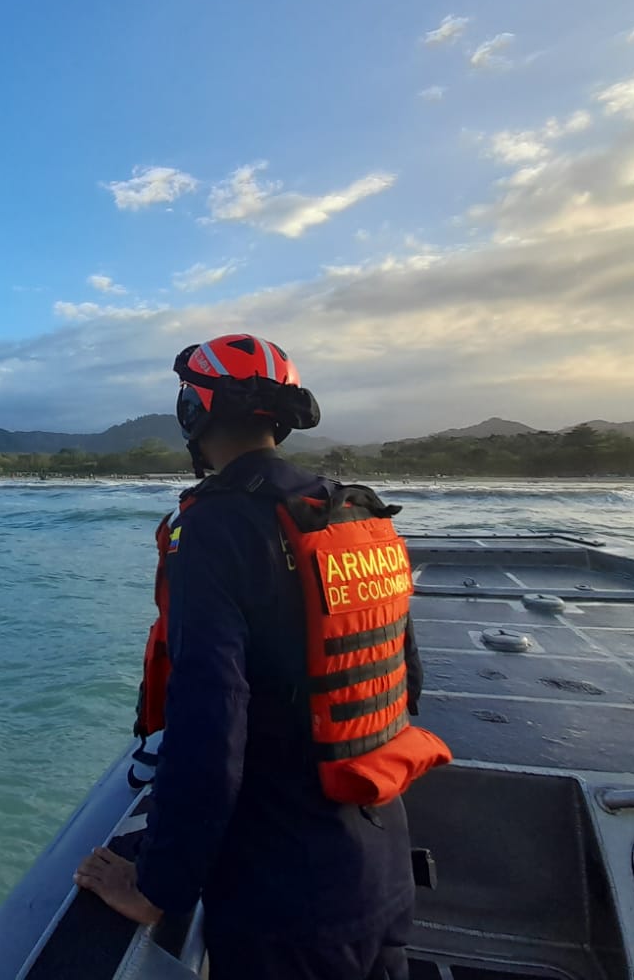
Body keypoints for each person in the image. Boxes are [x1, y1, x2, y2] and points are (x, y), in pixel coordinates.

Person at [75, 333, 446, 980]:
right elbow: (401, 683)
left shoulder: (218, 526)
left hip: (287, 894)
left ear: (195, 413)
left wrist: (158, 884)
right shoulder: (349, 510)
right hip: (381, 863)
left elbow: (208, 724)